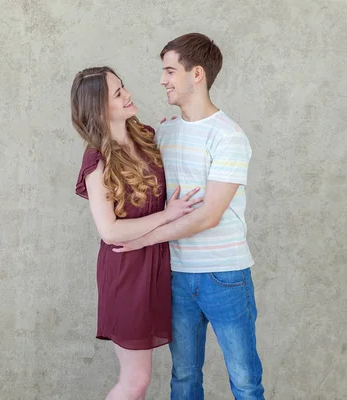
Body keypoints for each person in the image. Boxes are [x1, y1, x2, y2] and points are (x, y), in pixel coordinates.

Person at [113, 33, 265, 399]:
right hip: (177, 276)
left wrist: (140, 239)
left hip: (225, 275)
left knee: (244, 381)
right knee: (183, 377)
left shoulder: (229, 137)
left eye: (169, 71)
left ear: (196, 74)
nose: (162, 80)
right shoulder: (164, 133)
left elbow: (207, 216)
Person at [71, 66, 203, 400]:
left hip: (158, 268)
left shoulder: (146, 135)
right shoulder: (97, 161)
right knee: (136, 380)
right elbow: (110, 231)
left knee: (147, 378)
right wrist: (166, 215)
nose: (128, 95)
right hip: (126, 272)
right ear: (100, 108)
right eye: (118, 94)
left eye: (123, 87)